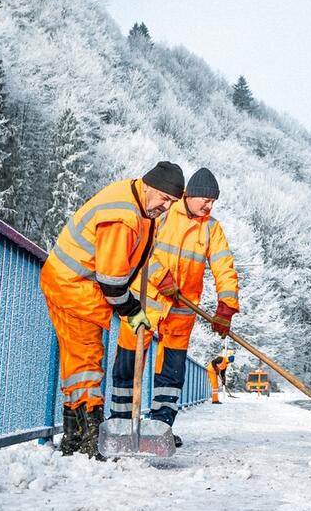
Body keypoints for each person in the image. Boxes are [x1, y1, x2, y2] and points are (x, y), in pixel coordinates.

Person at [40, 161, 184, 459]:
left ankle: (74, 436)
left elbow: (139, 256)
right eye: (164, 199)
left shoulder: (142, 207)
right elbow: (111, 280)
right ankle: (92, 441)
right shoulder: (123, 216)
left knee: (76, 363)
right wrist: (132, 312)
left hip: (76, 282)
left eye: (171, 203)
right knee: (87, 361)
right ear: (148, 186)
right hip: (75, 284)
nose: (166, 207)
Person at [109, 167, 240, 447]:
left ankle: (160, 428)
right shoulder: (164, 210)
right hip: (142, 304)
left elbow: (224, 266)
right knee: (128, 362)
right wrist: (161, 277)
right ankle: (120, 425)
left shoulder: (211, 228)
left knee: (172, 372)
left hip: (181, 312)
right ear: (190, 195)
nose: (209, 205)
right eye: (205, 199)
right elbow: (142, 249)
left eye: (213, 202)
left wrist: (226, 307)